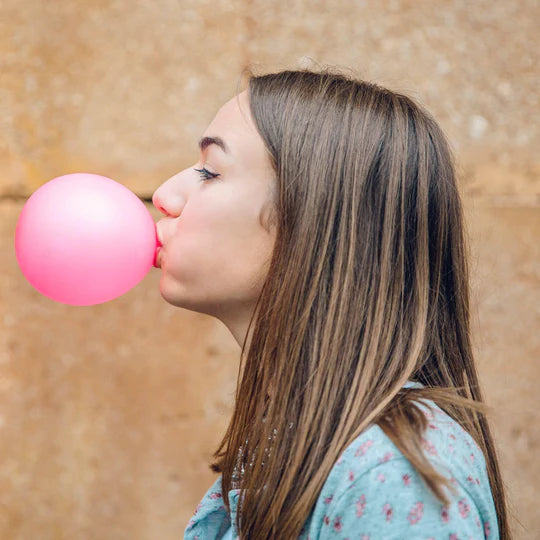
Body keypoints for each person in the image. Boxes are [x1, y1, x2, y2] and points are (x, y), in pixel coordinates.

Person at [152, 69, 510, 539]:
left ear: (312, 222)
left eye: (210, 172)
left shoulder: (393, 475)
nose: (164, 196)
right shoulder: (299, 440)